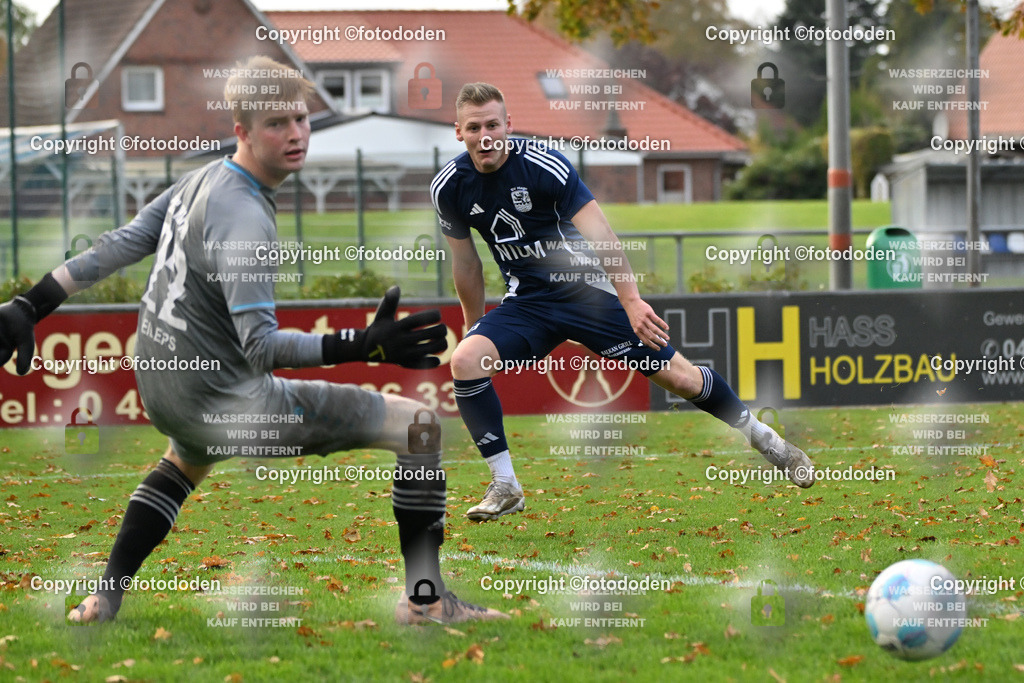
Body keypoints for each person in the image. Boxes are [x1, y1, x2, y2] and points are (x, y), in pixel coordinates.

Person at [0, 56, 504, 625]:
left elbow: (121, 242)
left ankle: (104, 599)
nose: (294, 134)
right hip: (227, 399)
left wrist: (30, 303)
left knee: (185, 459)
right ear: (241, 130)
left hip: (166, 389)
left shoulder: (200, 178)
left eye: (301, 119)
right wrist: (363, 345)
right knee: (420, 428)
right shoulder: (244, 215)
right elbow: (260, 348)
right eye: (275, 123)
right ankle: (426, 602)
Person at [432, 82, 815, 522]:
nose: (486, 136)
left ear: (508, 126)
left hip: (588, 295)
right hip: (530, 303)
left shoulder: (545, 165)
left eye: (494, 125)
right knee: (465, 361)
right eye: (475, 127)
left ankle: (765, 439)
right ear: (458, 132)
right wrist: (473, 327)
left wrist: (631, 301)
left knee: (683, 380)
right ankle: (506, 484)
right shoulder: (449, 187)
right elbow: (466, 266)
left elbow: (602, 237)